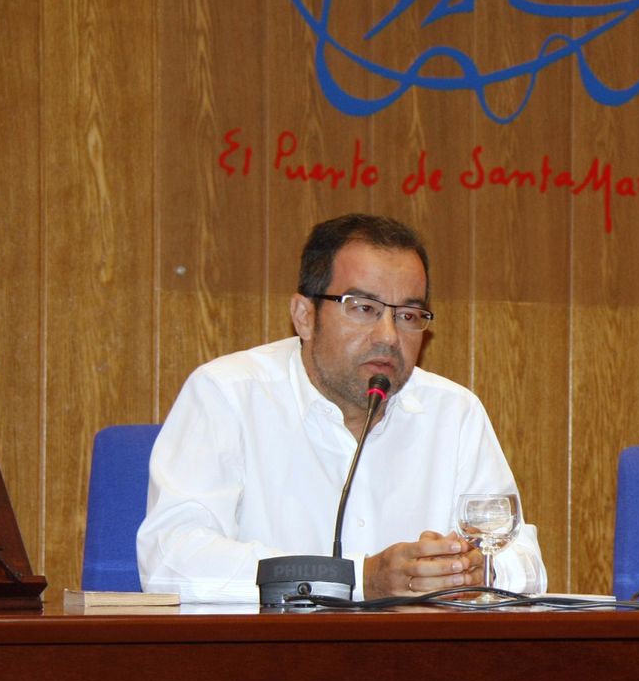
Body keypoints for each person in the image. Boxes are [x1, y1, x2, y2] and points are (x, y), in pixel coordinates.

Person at [138, 213, 546, 602]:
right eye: (363, 308)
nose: (387, 335)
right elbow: (171, 561)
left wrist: (477, 572)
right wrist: (355, 579)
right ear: (304, 316)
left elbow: (524, 559)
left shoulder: (454, 413)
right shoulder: (227, 394)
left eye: (408, 315)